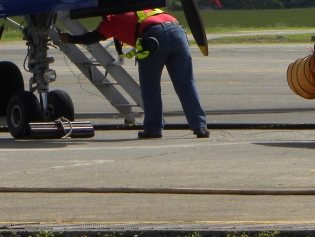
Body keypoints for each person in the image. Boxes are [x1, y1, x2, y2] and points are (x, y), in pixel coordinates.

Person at [59, 8, 209, 139]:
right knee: (186, 83)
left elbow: (92, 38)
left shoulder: (111, 19)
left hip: (152, 36)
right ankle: (200, 126)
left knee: (151, 88)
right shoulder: (141, 8)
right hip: (177, 31)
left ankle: (153, 128)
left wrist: (70, 38)